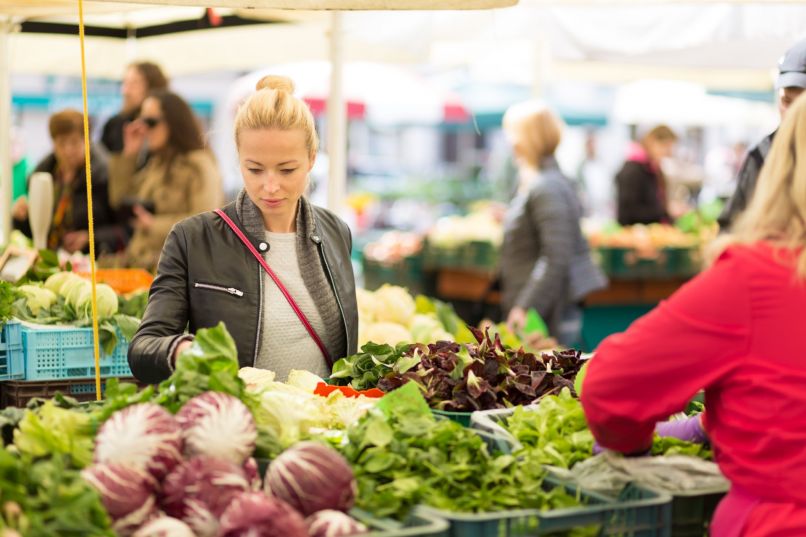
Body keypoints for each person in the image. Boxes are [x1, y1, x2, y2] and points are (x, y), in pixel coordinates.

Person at [581, 93, 806, 536]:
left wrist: (634, 441)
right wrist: (707, 424)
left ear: (781, 168)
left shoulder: (756, 278)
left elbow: (610, 387)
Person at [128, 75, 358, 385]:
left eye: (287, 169)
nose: (270, 186)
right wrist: (181, 349)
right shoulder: (193, 239)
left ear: (312, 159)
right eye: (255, 169)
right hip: (237, 423)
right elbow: (143, 349)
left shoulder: (336, 232)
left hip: (322, 424)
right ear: (238, 159)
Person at [500, 100, 606, 347]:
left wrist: (525, 306)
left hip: (548, 314)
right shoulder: (538, 181)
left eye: (512, 134)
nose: (510, 143)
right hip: (541, 308)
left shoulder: (546, 187)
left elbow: (556, 256)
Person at [108, 90, 223, 270]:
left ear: (174, 122)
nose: (144, 129)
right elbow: (118, 199)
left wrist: (152, 225)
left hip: (176, 272)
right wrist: (130, 155)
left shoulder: (198, 164)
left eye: (151, 122)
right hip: (143, 267)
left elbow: (206, 223)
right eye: (141, 121)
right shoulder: (157, 163)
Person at [718, 37, 806, 230]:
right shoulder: (762, 154)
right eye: (786, 101)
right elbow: (731, 225)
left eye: (801, 105)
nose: (791, 114)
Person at [12, 109, 124, 254]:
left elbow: (124, 229)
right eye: (61, 143)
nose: (68, 150)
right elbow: (37, 233)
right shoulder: (43, 176)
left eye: (74, 142)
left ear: (87, 141)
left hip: (92, 262)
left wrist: (91, 239)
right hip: (52, 259)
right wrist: (22, 218)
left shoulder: (104, 175)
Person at [100, 61, 168, 157]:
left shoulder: (164, 125)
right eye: (124, 83)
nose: (125, 91)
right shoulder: (114, 124)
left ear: (153, 87)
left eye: (134, 83)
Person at [615, 125, 677, 226]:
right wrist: (665, 211)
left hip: (653, 233)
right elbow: (627, 213)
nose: (668, 153)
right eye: (666, 147)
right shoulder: (633, 170)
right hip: (635, 236)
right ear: (652, 141)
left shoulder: (654, 168)